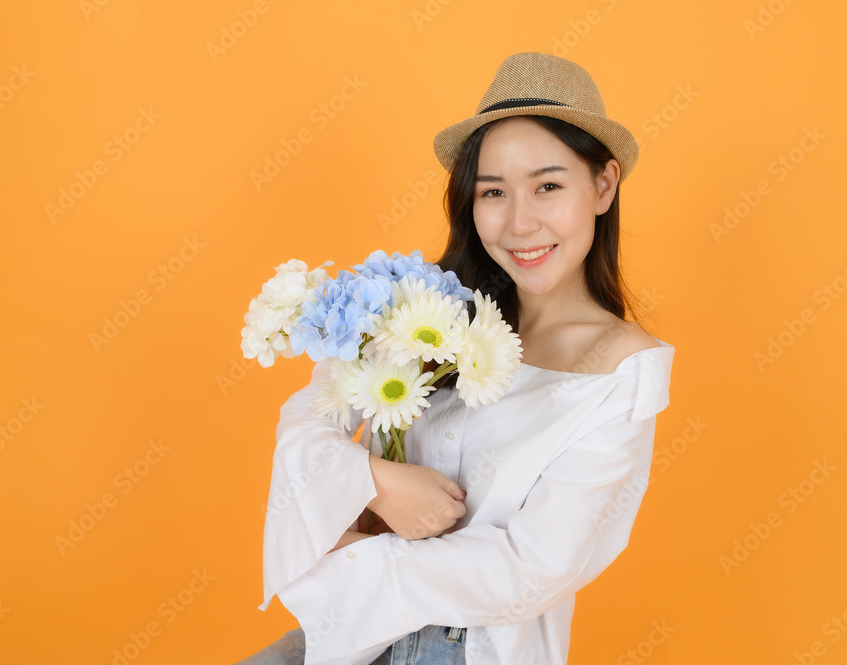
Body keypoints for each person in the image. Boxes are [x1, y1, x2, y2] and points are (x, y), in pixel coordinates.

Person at [238, 51, 676, 665]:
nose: (520, 223)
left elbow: (529, 571)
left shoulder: (622, 370)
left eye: (548, 186)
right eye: (493, 191)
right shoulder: (423, 308)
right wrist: (375, 481)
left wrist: (349, 552)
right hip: (345, 642)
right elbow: (304, 426)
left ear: (603, 185)